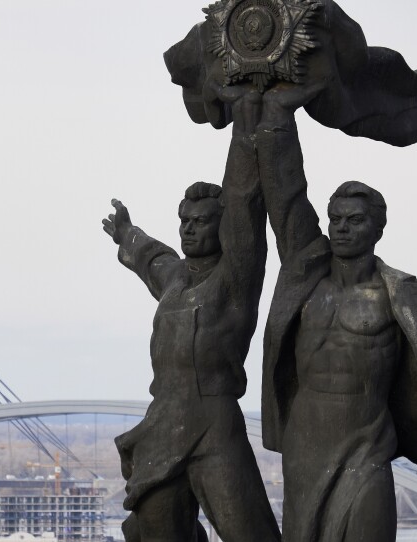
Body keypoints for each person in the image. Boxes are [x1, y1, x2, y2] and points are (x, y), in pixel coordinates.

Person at [247, 90, 417, 541]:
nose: (341, 228)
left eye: (355, 221)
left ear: (377, 228)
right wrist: (278, 116)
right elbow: (286, 193)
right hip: (305, 448)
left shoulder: (407, 297)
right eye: (335, 219)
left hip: (367, 445)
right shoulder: (305, 274)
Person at [101, 137, 281, 541]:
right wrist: (127, 233)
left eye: (200, 222)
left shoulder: (236, 278)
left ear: (225, 227)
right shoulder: (175, 278)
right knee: (155, 527)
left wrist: (249, 127)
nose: (188, 228)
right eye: (184, 220)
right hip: (164, 423)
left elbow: (244, 201)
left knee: (248, 531)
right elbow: (151, 257)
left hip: (214, 424)